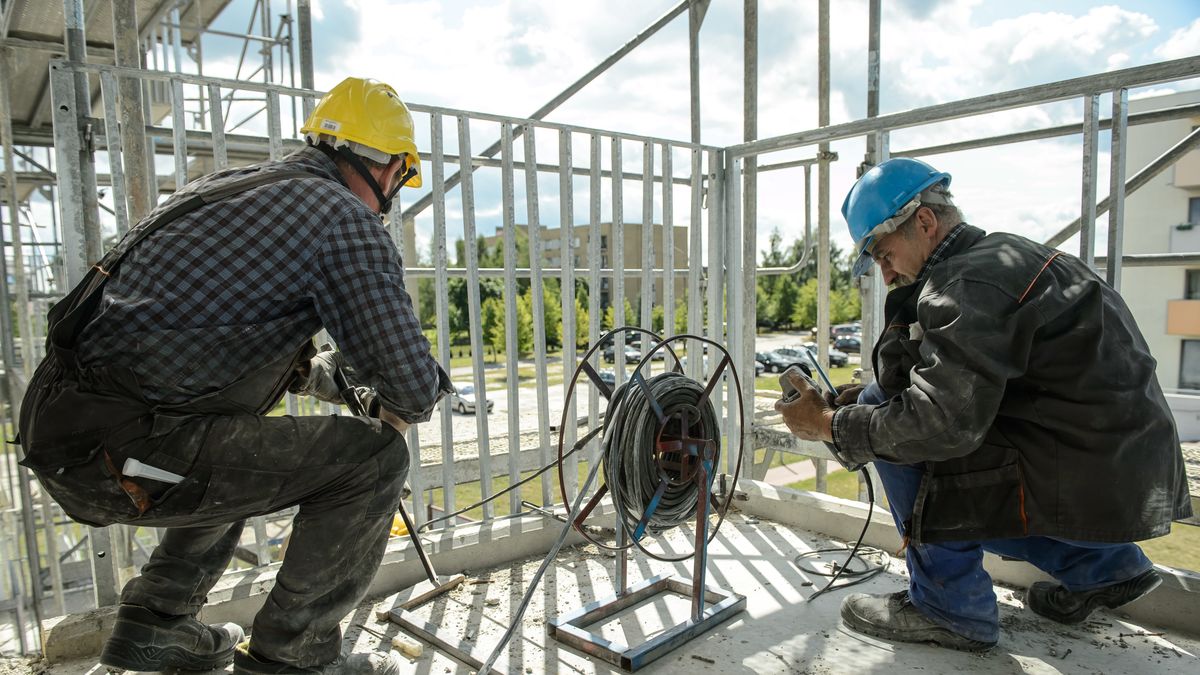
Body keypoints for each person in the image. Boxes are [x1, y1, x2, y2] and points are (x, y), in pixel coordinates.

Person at [18, 77, 451, 674]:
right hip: (125, 450)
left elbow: (200, 339)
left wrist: (318, 376)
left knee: (233, 445)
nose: (392, 198)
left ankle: (156, 625)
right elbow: (411, 387)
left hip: (67, 427)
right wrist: (397, 396)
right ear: (389, 168)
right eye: (401, 180)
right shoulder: (343, 221)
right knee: (372, 459)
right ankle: (295, 658)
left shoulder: (228, 190)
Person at [774, 157, 1191, 652]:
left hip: (1085, 472)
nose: (885, 275)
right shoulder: (1007, 257)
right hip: (1118, 473)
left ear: (924, 223)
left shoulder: (965, 283)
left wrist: (829, 424)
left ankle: (948, 607)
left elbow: (938, 424)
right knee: (882, 406)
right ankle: (1105, 568)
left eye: (883, 255)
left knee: (897, 423)